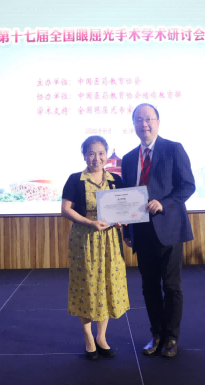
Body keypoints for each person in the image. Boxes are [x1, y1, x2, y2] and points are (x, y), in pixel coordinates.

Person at [121, 103, 195, 358]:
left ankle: (172, 337)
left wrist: (164, 203)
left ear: (158, 122)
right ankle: (157, 334)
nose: (144, 124)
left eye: (149, 119)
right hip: (141, 232)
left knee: (171, 286)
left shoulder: (174, 149)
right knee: (149, 286)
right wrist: (127, 230)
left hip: (170, 228)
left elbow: (188, 186)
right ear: (133, 124)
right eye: (139, 120)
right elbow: (126, 196)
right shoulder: (129, 158)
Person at [61, 135, 130, 361]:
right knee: (86, 287)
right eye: (91, 153)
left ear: (106, 155)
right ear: (84, 156)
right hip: (84, 239)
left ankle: (102, 337)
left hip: (110, 241)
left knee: (106, 286)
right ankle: (88, 338)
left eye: (101, 153)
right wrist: (90, 223)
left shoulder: (115, 180)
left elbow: (123, 209)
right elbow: (65, 210)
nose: (96, 158)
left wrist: (121, 220)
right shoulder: (75, 179)